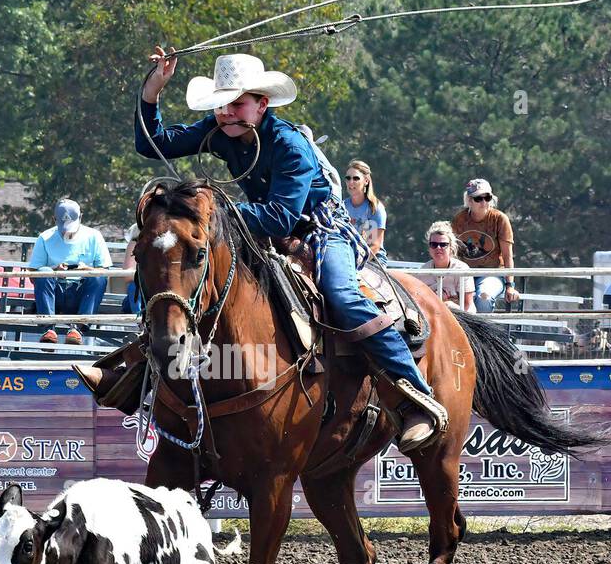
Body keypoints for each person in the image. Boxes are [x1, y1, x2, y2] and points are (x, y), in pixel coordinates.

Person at [135, 49, 444, 450]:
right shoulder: (219, 128)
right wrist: (154, 87)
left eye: (237, 103)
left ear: (262, 105)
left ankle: (414, 397)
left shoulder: (289, 145)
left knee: (342, 296)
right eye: (222, 104)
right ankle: (142, 380)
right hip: (256, 231)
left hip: (320, 231)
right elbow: (153, 143)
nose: (227, 112)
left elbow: (282, 217)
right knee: (177, 272)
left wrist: (217, 210)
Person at [28, 199, 111, 345]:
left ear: (81, 217)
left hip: (81, 294)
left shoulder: (94, 236)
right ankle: (48, 328)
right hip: (54, 293)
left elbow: (104, 271)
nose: (67, 231)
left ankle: (78, 329)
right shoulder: (45, 237)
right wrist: (54, 270)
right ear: (54, 220)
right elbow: (34, 273)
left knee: (98, 277)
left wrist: (87, 270)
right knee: (43, 272)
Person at [452, 177, 518, 313]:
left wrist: (510, 285)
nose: (483, 202)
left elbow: (507, 256)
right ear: (469, 200)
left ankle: (480, 333)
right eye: (478, 198)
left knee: (484, 297)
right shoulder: (459, 219)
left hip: (492, 273)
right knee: (452, 300)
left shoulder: (500, 219)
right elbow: (453, 253)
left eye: (487, 197)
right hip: (464, 273)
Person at [426, 221, 475, 313]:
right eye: (434, 244)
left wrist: (447, 305)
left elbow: (467, 305)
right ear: (429, 247)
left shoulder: (462, 269)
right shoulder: (422, 272)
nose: (438, 248)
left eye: (443, 245)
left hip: (462, 317)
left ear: (451, 247)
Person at [344, 159, 387, 259]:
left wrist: (357, 263)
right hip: (347, 258)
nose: (351, 182)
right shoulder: (342, 207)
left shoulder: (375, 208)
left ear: (366, 181)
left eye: (356, 178)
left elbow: (375, 245)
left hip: (373, 261)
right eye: (348, 178)